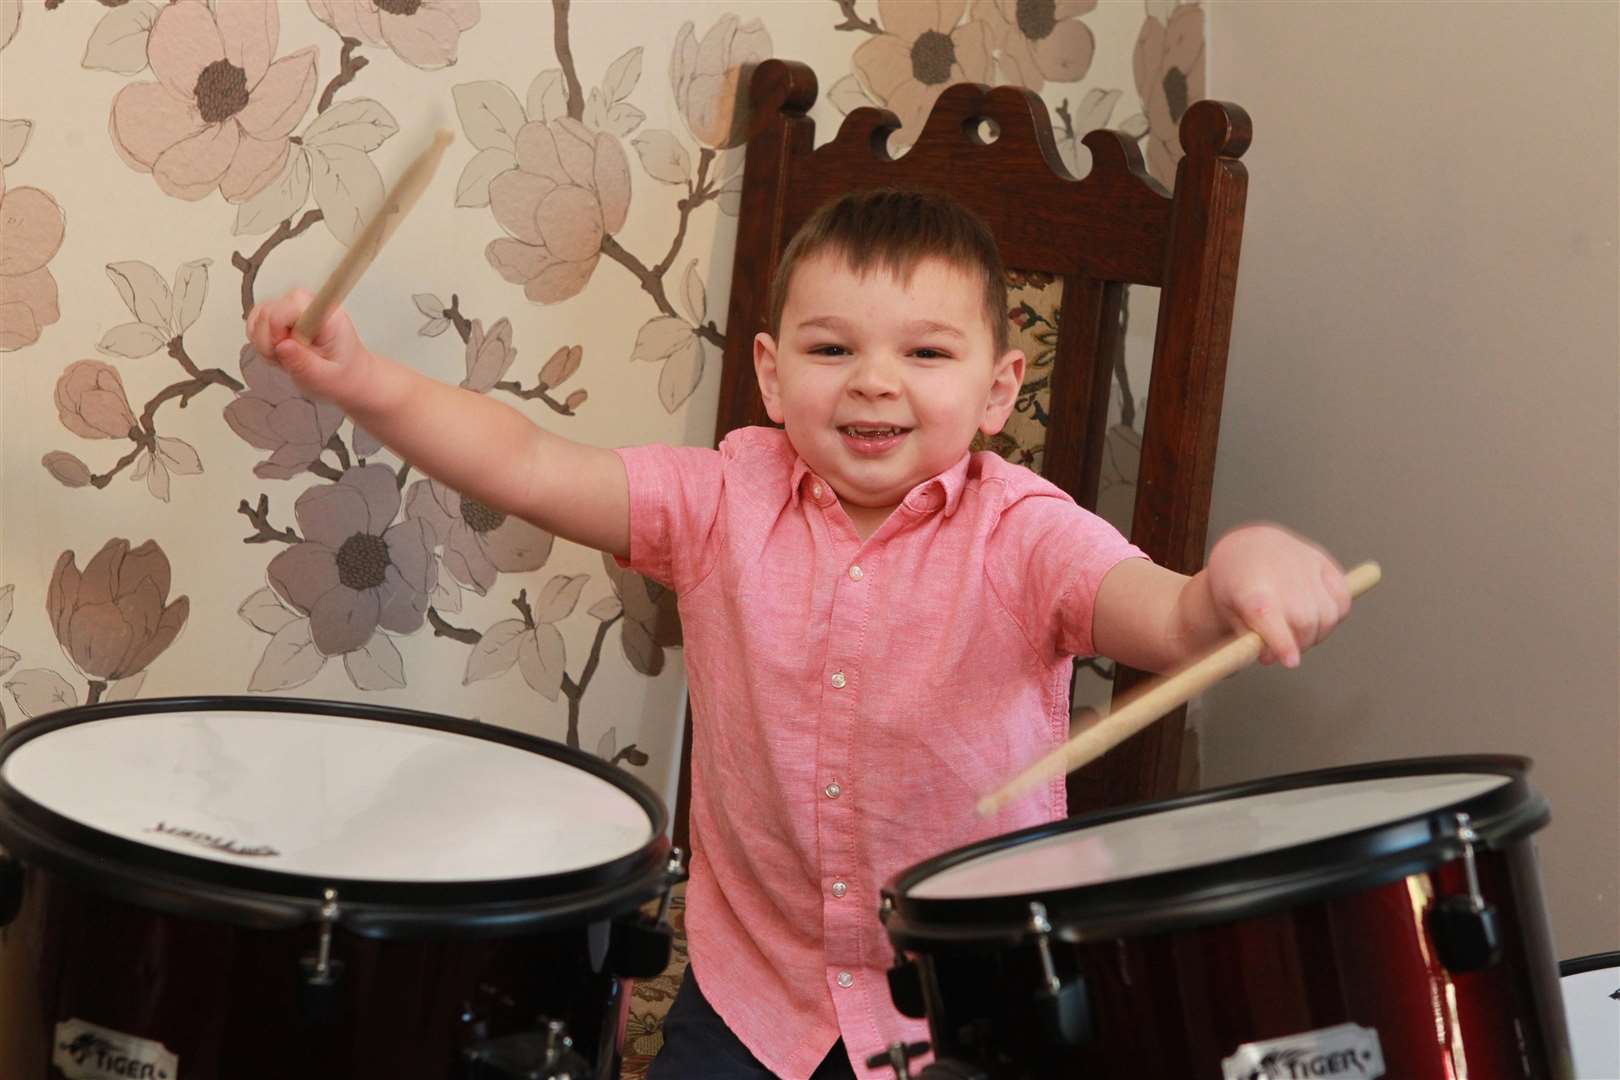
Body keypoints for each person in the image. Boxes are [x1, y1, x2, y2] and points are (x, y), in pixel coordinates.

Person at [247, 189, 1352, 1080]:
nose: (875, 380)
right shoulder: (724, 495)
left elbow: (1165, 614)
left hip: (973, 1002)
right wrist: (364, 382)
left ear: (996, 390)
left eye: (926, 355)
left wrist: (1230, 580)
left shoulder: (1024, 533)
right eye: (833, 350)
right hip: (754, 1000)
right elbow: (533, 466)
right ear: (773, 375)